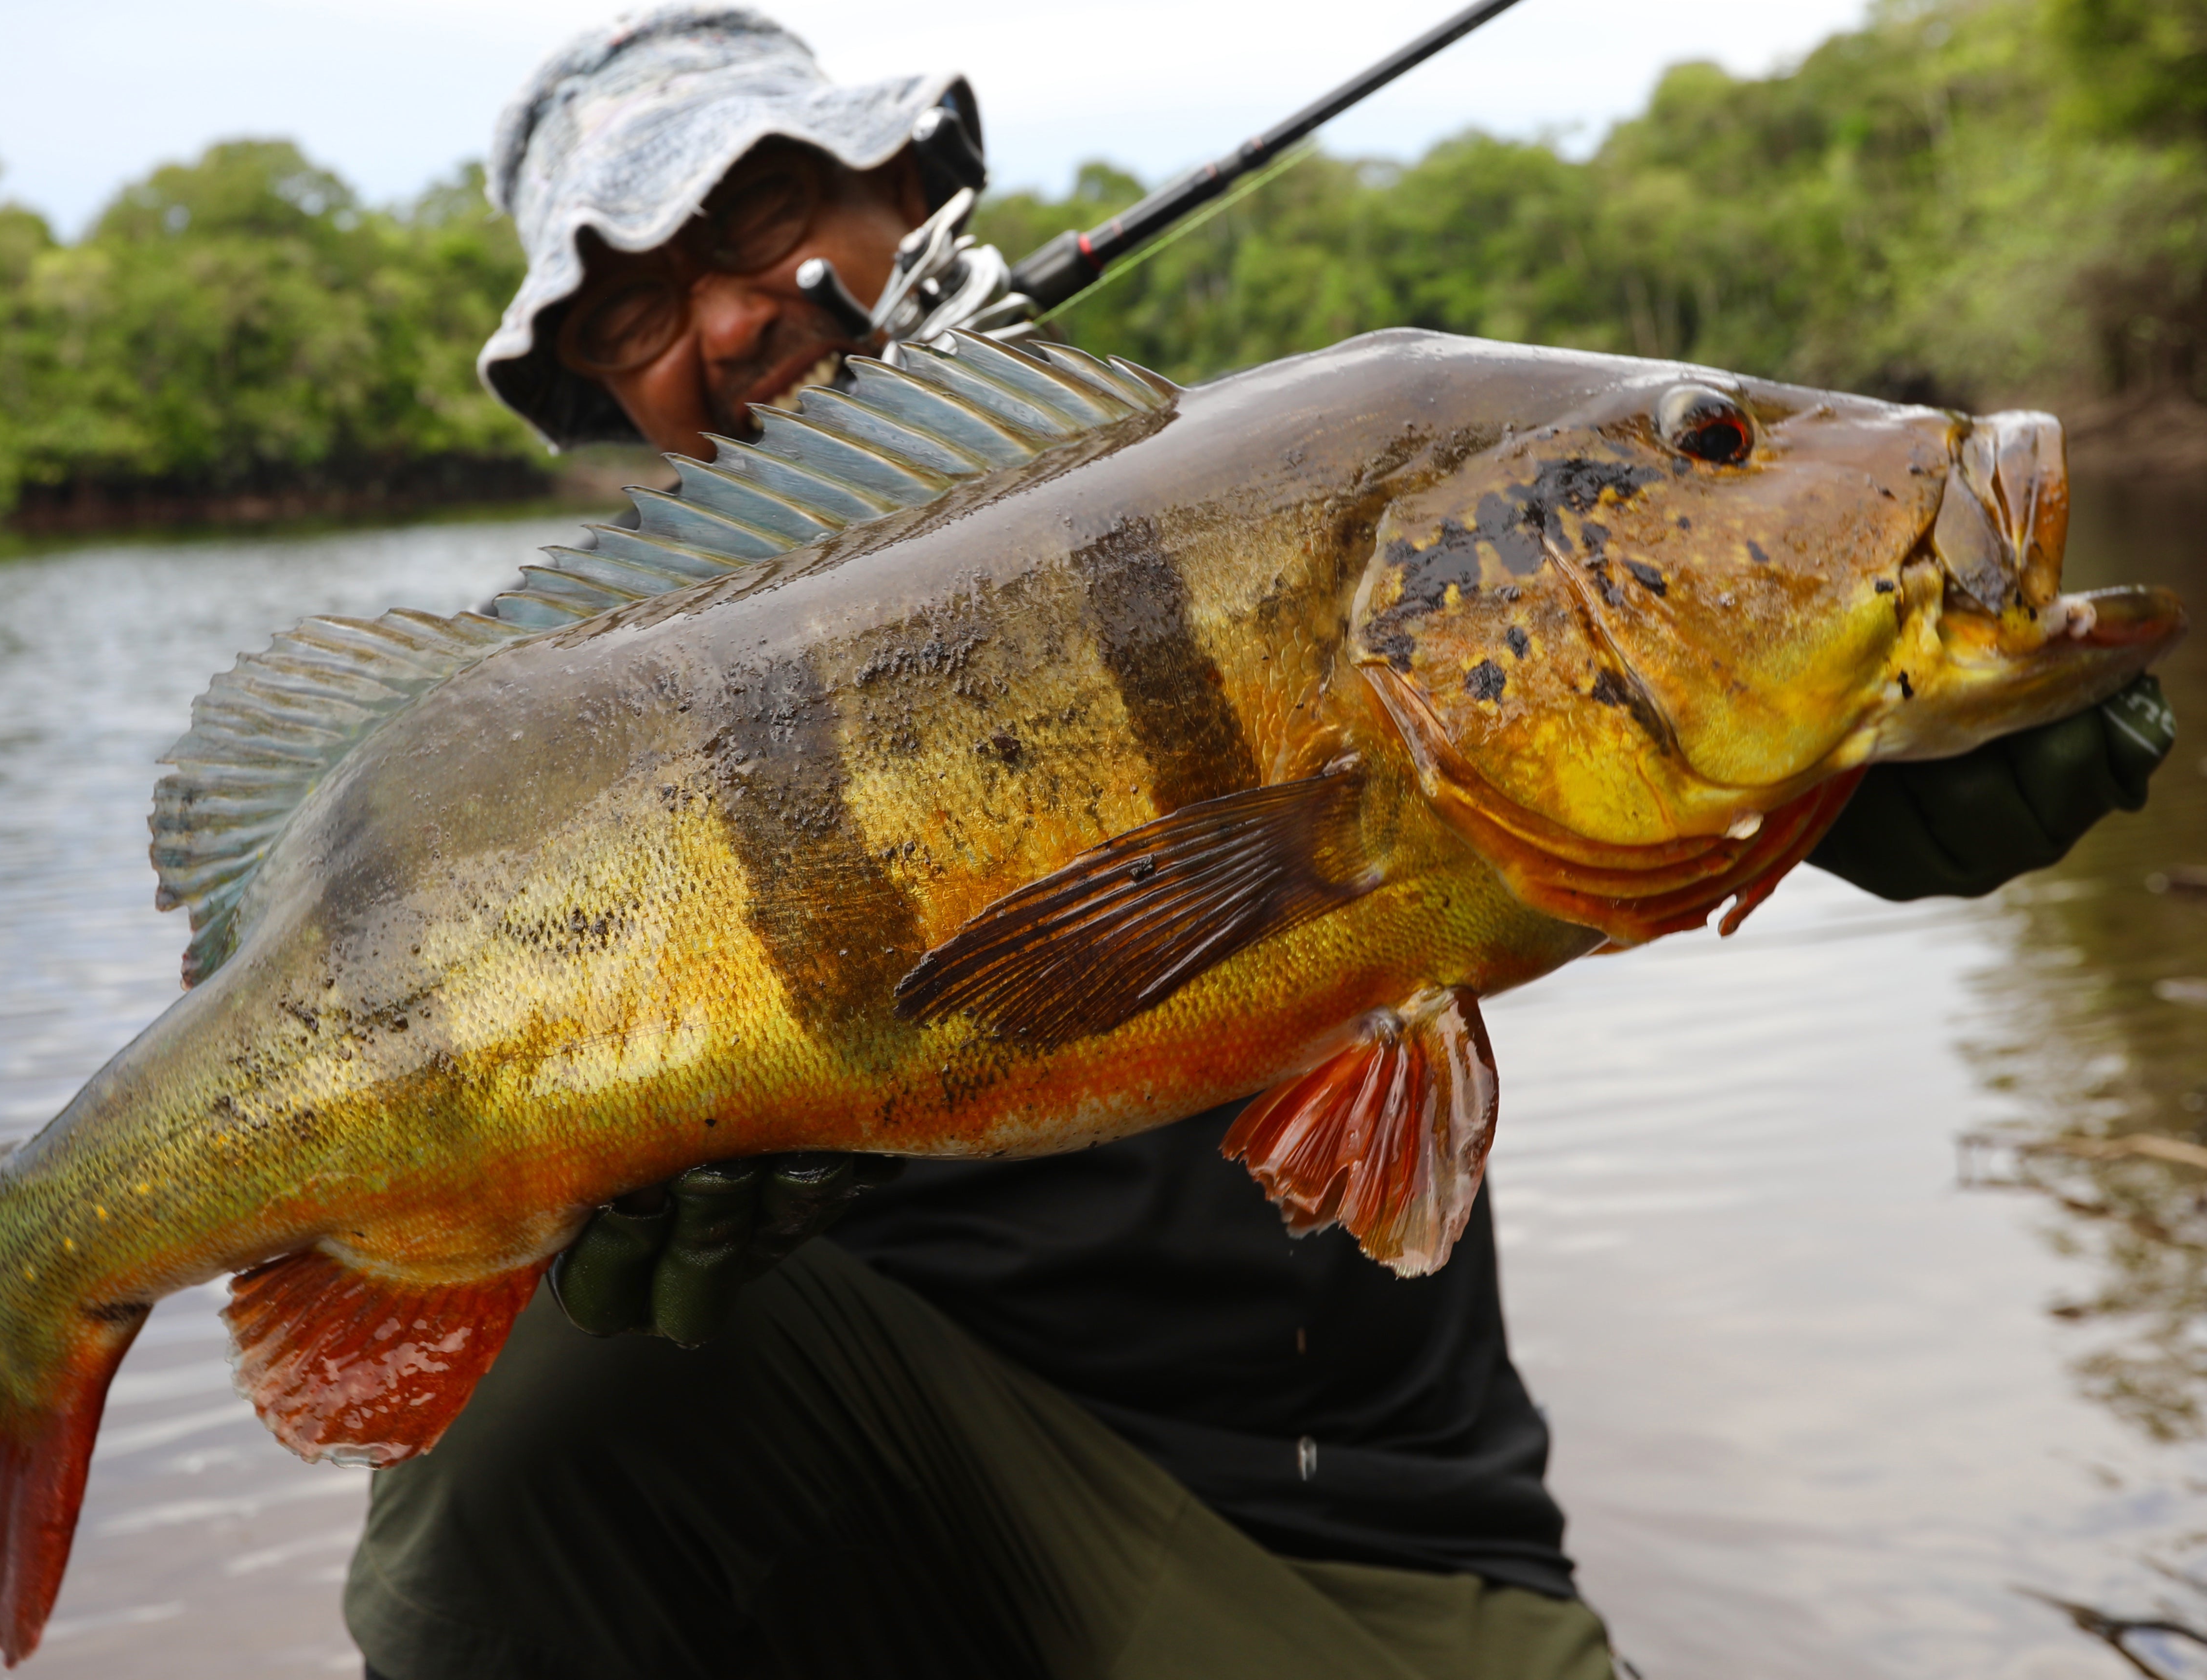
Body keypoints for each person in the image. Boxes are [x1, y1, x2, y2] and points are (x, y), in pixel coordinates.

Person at [345, 11, 2180, 1678]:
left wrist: (1855, 758)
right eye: (630, 319)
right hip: (896, 1536)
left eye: (750, 222)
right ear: (609, 401)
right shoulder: (565, 768)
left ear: (908, 186)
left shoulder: (1302, 491)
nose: (724, 323)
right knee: (524, 1419)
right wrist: (582, 1206)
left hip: (1352, 1553)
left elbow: (1558, 717)